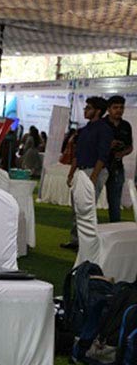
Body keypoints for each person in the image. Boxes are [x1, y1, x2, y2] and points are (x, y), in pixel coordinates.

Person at [61, 96, 113, 250]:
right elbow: (77, 154)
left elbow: (103, 156)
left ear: (98, 111)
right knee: (77, 207)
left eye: (88, 108)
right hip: (81, 171)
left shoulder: (104, 130)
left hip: (95, 170)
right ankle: (76, 240)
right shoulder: (84, 129)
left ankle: (87, 242)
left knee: (86, 208)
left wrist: (93, 177)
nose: (85, 110)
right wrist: (71, 173)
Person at [103, 95, 133, 223]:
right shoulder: (101, 124)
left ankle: (115, 227)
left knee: (115, 200)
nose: (119, 110)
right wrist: (108, 145)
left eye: (121, 107)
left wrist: (122, 153)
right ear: (108, 109)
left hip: (117, 167)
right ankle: (86, 229)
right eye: (115, 107)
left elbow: (130, 147)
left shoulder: (126, 125)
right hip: (99, 166)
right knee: (90, 198)